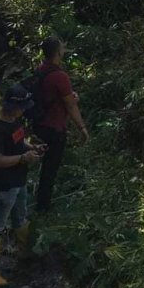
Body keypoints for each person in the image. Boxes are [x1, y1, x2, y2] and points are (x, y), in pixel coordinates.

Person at [0, 84, 45, 286]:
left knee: (20, 216)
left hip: (19, 180)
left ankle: (24, 251)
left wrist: (32, 147)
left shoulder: (15, 121)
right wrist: (23, 158)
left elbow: (19, 140)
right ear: (11, 107)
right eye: (21, 107)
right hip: (5, 184)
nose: (23, 110)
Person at [32, 37, 89, 213]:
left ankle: (38, 200)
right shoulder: (59, 76)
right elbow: (70, 105)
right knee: (50, 168)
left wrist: (70, 96)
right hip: (54, 127)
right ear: (57, 52)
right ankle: (43, 207)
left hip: (39, 123)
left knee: (42, 165)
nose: (64, 50)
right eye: (62, 48)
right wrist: (82, 128)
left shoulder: (40, 70)